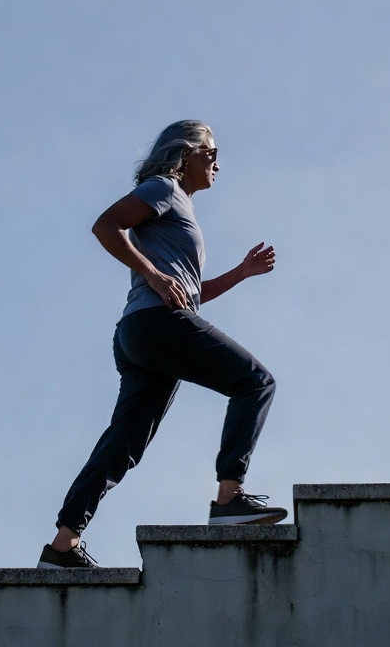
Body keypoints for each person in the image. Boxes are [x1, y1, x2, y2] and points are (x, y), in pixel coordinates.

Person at [38, 120, 286, 569]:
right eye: (211, 151)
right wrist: (151, 273)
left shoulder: (180, 204)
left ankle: (62, 546)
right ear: (186, 153)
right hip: (156, 324)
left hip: (141, 332)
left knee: (124, 443)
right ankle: (229, 500)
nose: (217, 162)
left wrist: (241, 273)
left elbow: (188, 291)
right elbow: (106, 225)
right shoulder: (164, 188)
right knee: (256, 382)